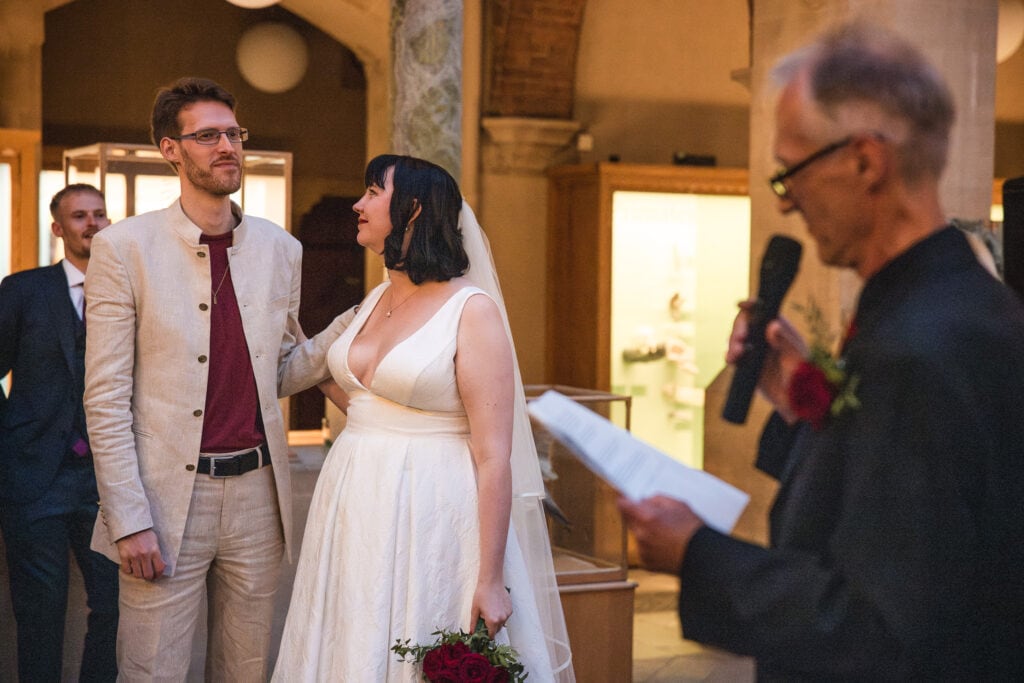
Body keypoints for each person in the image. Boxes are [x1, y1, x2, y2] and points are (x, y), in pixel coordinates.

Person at [618, 21, 1024, 680]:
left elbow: (879, 628)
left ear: (866, 160)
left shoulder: (922, 344)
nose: (786, 203)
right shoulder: (948, 303)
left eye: (791, 171)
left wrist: (696, 553)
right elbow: (891, 518)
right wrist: (801, 408)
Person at [84, 77, 350, 680]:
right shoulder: (124, 249)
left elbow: (277, 371)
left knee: (247, 670)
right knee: (152, 669)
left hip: (259, 493)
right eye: (207, 135)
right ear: (170, 149)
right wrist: (128, 518)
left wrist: (351, 329)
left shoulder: (282, 249)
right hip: (164, 498)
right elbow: (104, 398)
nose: (226, 146)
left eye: (233, 133)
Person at [272, 154, 574, 681]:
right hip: (352, 506)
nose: (358, 204)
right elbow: (368, 407)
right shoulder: (376, 299)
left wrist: (490, 577)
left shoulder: (471, 310)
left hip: (429, 510)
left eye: (372, 192)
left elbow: (493, 455)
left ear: (412, 210)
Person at [0, 184, 119, 681]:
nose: (91, 223)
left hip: (108, 480)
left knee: (116, 608)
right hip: (35, 479)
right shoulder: (22, 290)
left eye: (99, 214)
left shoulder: (129, 292)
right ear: (58, 228)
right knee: (40, 616)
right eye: (79, 216)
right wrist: (10, 436)